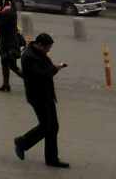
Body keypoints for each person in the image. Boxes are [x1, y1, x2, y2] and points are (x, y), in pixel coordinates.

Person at [14, 32, 69, 168]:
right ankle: (22, 142)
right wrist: (54, 68)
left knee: (53, 127)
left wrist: (53, 66)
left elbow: (45, 67)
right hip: (37, 96)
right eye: (47, 48)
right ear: (39, 45)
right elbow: (41, 75)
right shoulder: (28, 57)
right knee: (45, 126)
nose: (48, 50)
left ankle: (51, 158)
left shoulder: (38, 53)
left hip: (47, 94)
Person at [0, 0, 23, 91]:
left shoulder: (7, 14)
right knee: (5, 63)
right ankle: (5, 84)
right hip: (7, 43)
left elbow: (0, 24)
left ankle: (32, 81)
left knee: (12, 65)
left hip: (10, 44)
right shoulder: (9, 12)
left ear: (1, 6)